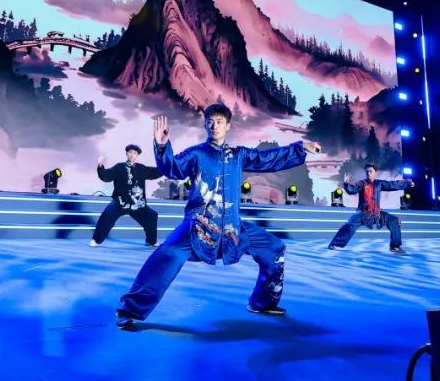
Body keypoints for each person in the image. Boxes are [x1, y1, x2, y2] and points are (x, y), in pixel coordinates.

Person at [115, 103, 322, 328]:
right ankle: (129, 310)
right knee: (165, 255)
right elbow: (172, 168)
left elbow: (268, 158)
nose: (215, 126)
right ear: (205, 125)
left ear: (228, 126)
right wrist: (162, 146)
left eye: (220, 122)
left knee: (274, 248)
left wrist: (301, 148)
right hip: (198, 225)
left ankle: (263, 302)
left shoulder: (239, 155)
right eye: (210, 122)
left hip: (233, 228)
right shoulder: (197, 153)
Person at [327, 163, 414, 253]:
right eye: (367, 172)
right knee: (350, 224)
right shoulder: (362, 183)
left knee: (394, 220)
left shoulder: (379, 184)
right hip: (363, 213)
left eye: (370, 171)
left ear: (375, 172)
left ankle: (395, 246)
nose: (368, 173)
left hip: (376, 213)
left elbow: (392, 185)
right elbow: (352, 190)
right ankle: (334, 244)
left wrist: (407, 183)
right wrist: (346, 184)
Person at [90, 144, 163, 248]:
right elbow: (106, 176)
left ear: (137, 155)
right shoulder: (119, 167)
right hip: (119, 203)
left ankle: (151, 241)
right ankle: (96, 240)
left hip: (137, 204)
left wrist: (165, 164)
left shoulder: (141, 168)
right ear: (126, 153)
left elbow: (156, 172)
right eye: (130, 152)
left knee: (152, 216)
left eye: (135, 153)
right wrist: (100, 166)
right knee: (106, 216)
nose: (132, 155)